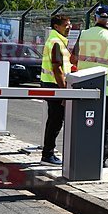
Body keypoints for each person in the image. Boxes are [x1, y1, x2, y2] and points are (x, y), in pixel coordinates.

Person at [70, 5, 108, 166]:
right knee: (107, 125)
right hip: (107, 92)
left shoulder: (84, 34)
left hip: (82, 88)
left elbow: (73, 59)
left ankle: (81, 157)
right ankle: (100, 161)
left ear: (95, 17)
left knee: (83, 123)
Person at [40, 14, 72, 165]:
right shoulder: (56, 42)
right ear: (56, 27)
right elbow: (57, 68)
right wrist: (65, 91)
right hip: (54, 85)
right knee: (55, 120)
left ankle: (48, 153)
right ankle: (48, 154)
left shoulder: (58, 41)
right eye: (66, 25)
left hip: (53, 84)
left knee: (55, 119)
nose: (69, 27)